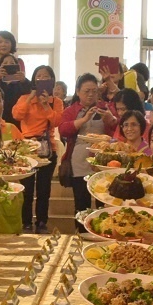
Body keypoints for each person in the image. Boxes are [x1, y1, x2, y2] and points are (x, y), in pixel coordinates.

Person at [12, 65, 64, 232]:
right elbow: (17, 115)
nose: (42, 78)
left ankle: (42, 222)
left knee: (44, 189)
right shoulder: (24, 98)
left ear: (52, 81)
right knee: (26, 189)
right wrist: (31, 98)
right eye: (39, 76)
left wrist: (46, 105)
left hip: (48, 148)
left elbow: (57, 122)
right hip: (26, 148)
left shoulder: (56, 101)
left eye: (46, 76)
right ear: (34, 80)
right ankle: (26, 222)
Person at [59, 73, 118, 219]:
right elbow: (63, 129)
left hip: (102, 161)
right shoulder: (71, 110)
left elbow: (116, 131)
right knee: (81, 202)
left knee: (103, 201)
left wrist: (110, 120)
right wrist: (84, 119)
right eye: (87, 91)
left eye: (94, 91)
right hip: (79, 160)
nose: (91, 95)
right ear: (78, 92)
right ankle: (82, 234)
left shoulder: (105, 107)